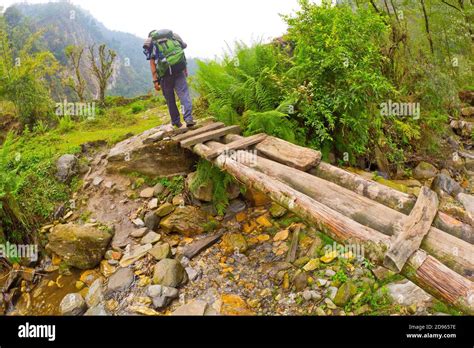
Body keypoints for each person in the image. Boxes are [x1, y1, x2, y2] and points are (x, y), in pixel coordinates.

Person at [143, 29, 195, 128]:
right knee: (184, 95)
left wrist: (155, 81)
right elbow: (181, 53)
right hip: (179, 70)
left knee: (170, 99)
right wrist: (185, 69)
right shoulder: (172, 38)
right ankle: (188, 118)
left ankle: (176, 122)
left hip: (165, 75)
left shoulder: (153, 43)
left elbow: (152, 63)